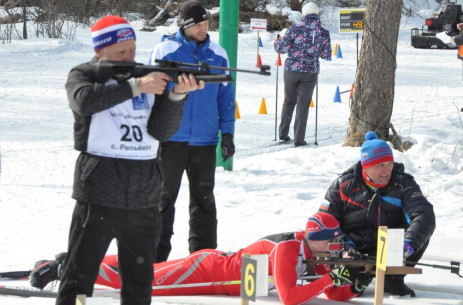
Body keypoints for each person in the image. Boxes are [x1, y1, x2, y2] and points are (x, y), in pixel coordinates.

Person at [56, 15, 205, 305]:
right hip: (98, 193)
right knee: (79, 277)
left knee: (139, 285)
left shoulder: (150, 76)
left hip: (144, 197)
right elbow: (84, 101)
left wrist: (177, 95)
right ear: (101, 53)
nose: (129, 57)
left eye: (133, 50)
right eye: (121, 52)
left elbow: (161, 130)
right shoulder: (84, 74)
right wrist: (136, 87)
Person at [31, 213, 371, 305]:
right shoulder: (288, 250)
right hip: (209, 272)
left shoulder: (313, 253)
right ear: (318, 242)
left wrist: (353, 284)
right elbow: (290, 298)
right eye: (335, 242)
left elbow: (332, 293)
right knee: (139, 279)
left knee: (142, 272)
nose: (338, 247)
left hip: (218, 270)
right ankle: (67, 265)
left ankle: (72, 264)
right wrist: (331, 278)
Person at [149, 0, 236, 262]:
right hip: (170, 139)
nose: (203, 28)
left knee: (204, 201)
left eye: (206, 22)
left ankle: (203, 259)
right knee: (163, 201)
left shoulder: (219, 54)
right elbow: (151, 93)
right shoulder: (164, 50)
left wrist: (228, 134)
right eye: (198, 24)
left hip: (205, 141)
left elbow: (226, 97)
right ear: (185, 26)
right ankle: (154, 259)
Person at [319, 131, 436, 297]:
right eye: (380, 165)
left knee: (421, 234)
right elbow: (323, 221)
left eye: (389, 163)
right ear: (365, 166)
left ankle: (392, 279)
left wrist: (405, 247)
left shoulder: (404, 183)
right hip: (353, 250)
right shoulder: (343, 184)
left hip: (390, 249)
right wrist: (344, 248)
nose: (386, 170)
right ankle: (352, 273)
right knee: (351, 292)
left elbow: (424, 215)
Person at [274, 2, 332, 147]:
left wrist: (277, 41)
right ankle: (299, 139)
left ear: (304, 14)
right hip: (310, 70)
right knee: (303, 105)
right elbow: (326, 54)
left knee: (289, 100)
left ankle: (283, 133)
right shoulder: (323, 32)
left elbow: (282, 49)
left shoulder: (294, 28)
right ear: (317, 14)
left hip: (292, 69)